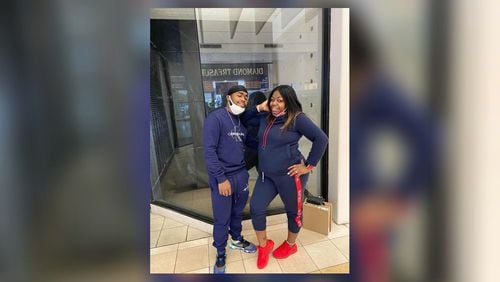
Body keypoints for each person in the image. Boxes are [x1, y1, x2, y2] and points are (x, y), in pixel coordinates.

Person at [241, 85, 328, 269]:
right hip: (266, 176)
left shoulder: (297, 118)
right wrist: (259, 108)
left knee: (293, 213)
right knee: (256, 207)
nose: (275, 103)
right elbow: (243, 118)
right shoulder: (265, 118)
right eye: (273, 99)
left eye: (280, 100)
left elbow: (321, 139)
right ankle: (264, 245)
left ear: (289, 101)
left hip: (289, 176)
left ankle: (290, 245)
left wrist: (308, 166)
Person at [202, 85, 257, 274]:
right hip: (223, 177)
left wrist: (274, 143)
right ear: (228, 97)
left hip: (240, 175)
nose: (243, 99)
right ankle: (220, 251)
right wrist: (220, 178)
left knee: (237, 212)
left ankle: (236, 239)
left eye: (246, 97)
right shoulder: (215, 119)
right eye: (239, 95)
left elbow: (251, 142)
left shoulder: (241, 122)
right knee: (222, 217)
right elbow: (209, 152)